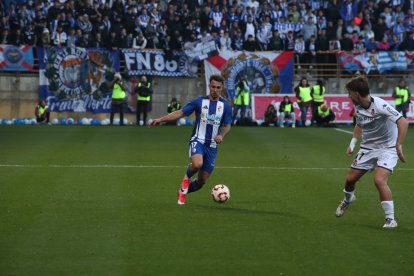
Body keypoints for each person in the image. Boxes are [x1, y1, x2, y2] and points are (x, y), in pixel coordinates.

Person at [335, 76, 408, 228]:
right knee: (350, 180)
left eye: (349, 93)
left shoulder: (379, 105)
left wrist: (398, 145)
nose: (348, 96)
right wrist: (353, 143)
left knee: (379, 180)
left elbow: (403, 122)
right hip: (368, 148)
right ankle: (348, 200)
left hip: (387, 148)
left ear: (356, 93)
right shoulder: (358, 106)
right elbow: (360, 124)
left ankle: (390, 219)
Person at [149, 74, 232, 205]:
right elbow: (180, 112)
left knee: (201, 182)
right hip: (197, 140)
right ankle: (186, 178)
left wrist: (221, 135)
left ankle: (184, 190)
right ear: (209, 86)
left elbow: (227, 126)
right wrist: (161, 119)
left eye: (218, 87)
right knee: (197, 164)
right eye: (213, 86)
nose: (215, 89)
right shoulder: (199, 102)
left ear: (222, 88)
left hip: (212, 146)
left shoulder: (226, 107)